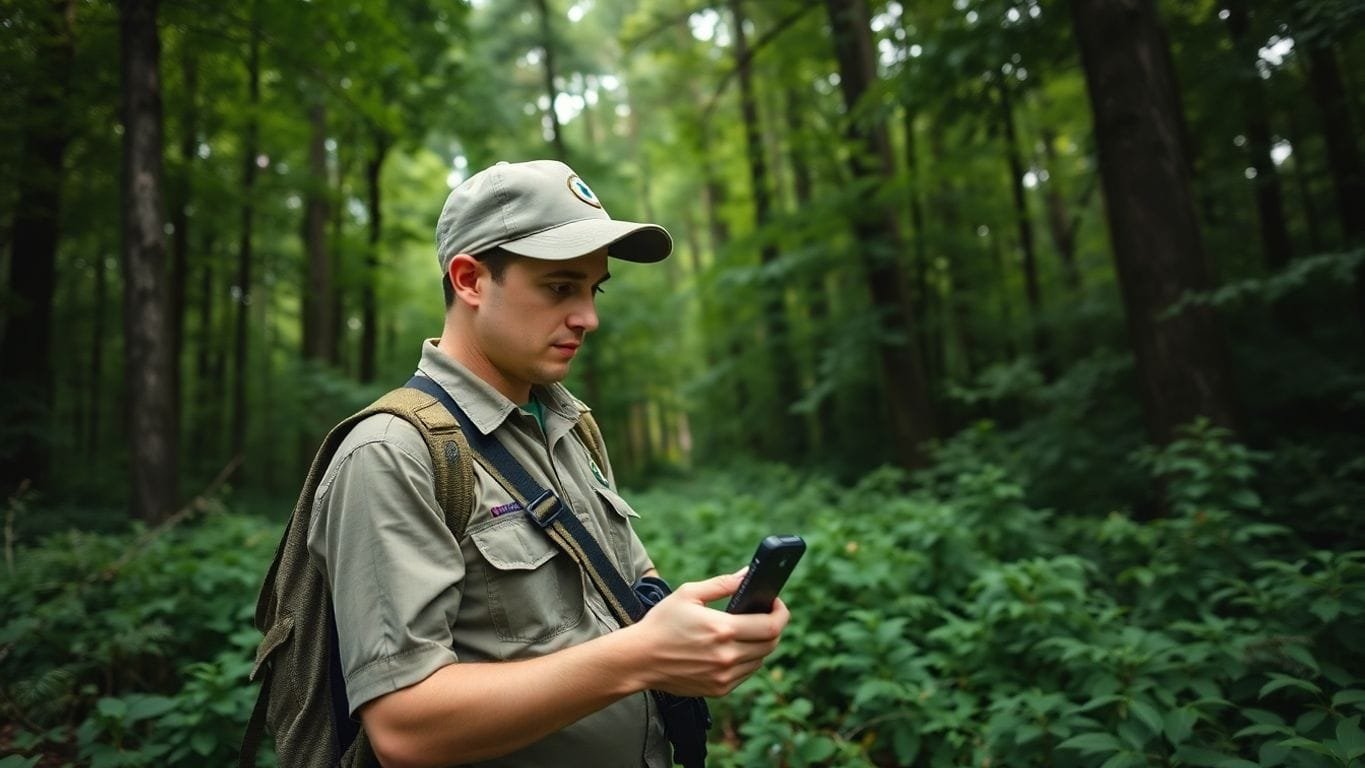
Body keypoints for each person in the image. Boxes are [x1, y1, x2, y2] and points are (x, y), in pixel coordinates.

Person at [306, 159, 791, 768]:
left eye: (594, 289)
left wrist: (696, 642)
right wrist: (642, 657)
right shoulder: (391, 454)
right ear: (470, 280)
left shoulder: (568, 425)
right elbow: (407, 728)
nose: (588, 317)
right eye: (561, 287)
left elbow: (625, 599)